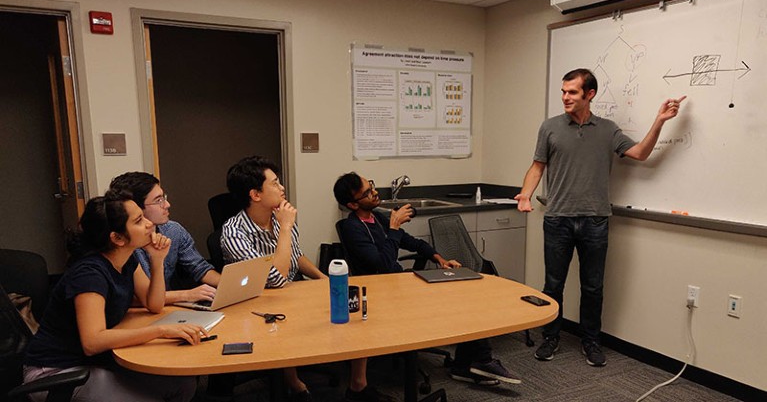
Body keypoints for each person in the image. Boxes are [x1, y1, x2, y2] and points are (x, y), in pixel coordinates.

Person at [515, 68, 686, 367]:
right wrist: (526, 194)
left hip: (596, 220)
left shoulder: (608, 130)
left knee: (592, 286)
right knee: (553, 284)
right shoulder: (550, 127)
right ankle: (550, 337)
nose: (565, 97)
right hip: (558, 219)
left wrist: (659, 121)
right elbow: (537, 166)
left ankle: (591, 340)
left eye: (572, 92)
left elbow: (641, 154)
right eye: (563, 92)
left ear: (589, 94)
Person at [220, 156, 393, 402]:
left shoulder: (279, 217)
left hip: (291, 290)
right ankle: (293, 383)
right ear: (255, 194)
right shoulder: (234, 233)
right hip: (258, 303)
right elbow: (276, 280)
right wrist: (287, 228)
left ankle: (358, 384)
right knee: (286, 320)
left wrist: (325, 280)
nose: (282, 188)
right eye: (275, 183)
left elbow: (296, 257)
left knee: (349, 302)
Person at [333, 172, 521, 386]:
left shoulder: (376, 218)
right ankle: (475, 362)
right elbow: (383, 265)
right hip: (381, 292)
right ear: (353, 204)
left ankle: (470, 362)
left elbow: (410, 242)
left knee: (464, 290)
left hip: (398, 283)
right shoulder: (352, 228)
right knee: (455, 297)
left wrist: (439, 258)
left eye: (372, 186)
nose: (375, 193)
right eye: (367, 193)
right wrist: (394, 228)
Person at [23, 190, 207, 402]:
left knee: (182, 384)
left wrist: (156, 261)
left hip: (93, 362)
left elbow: (153, 304)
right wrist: (161, 330)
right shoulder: (89, 274)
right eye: (138, 221)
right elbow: (92, 341)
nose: (149, 224)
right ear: (117, 238)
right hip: (57, 371)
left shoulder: (126, 259)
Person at [110, 172, 220, 304]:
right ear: (135, 208)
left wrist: (229, 286)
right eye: (158, 201)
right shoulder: (124, 244)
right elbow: (131, 298)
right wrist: (186, 295)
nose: (167, 204)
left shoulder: (173, 230)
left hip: (164, 308)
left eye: (164, 197)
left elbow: (199, 268)